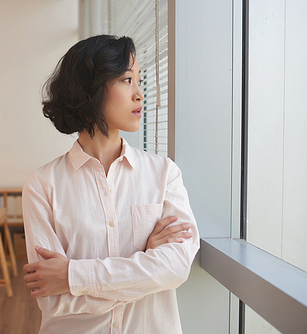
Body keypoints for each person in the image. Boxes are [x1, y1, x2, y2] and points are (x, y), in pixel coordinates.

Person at [22, 35, 200, 334]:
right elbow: (54, 300)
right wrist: (145, 265)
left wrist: (72, 276)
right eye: (127, 79)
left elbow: (175, 268)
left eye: (139, 80)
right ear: (91, 88)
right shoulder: (43, 184)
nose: (140, 94)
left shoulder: (164, 174)